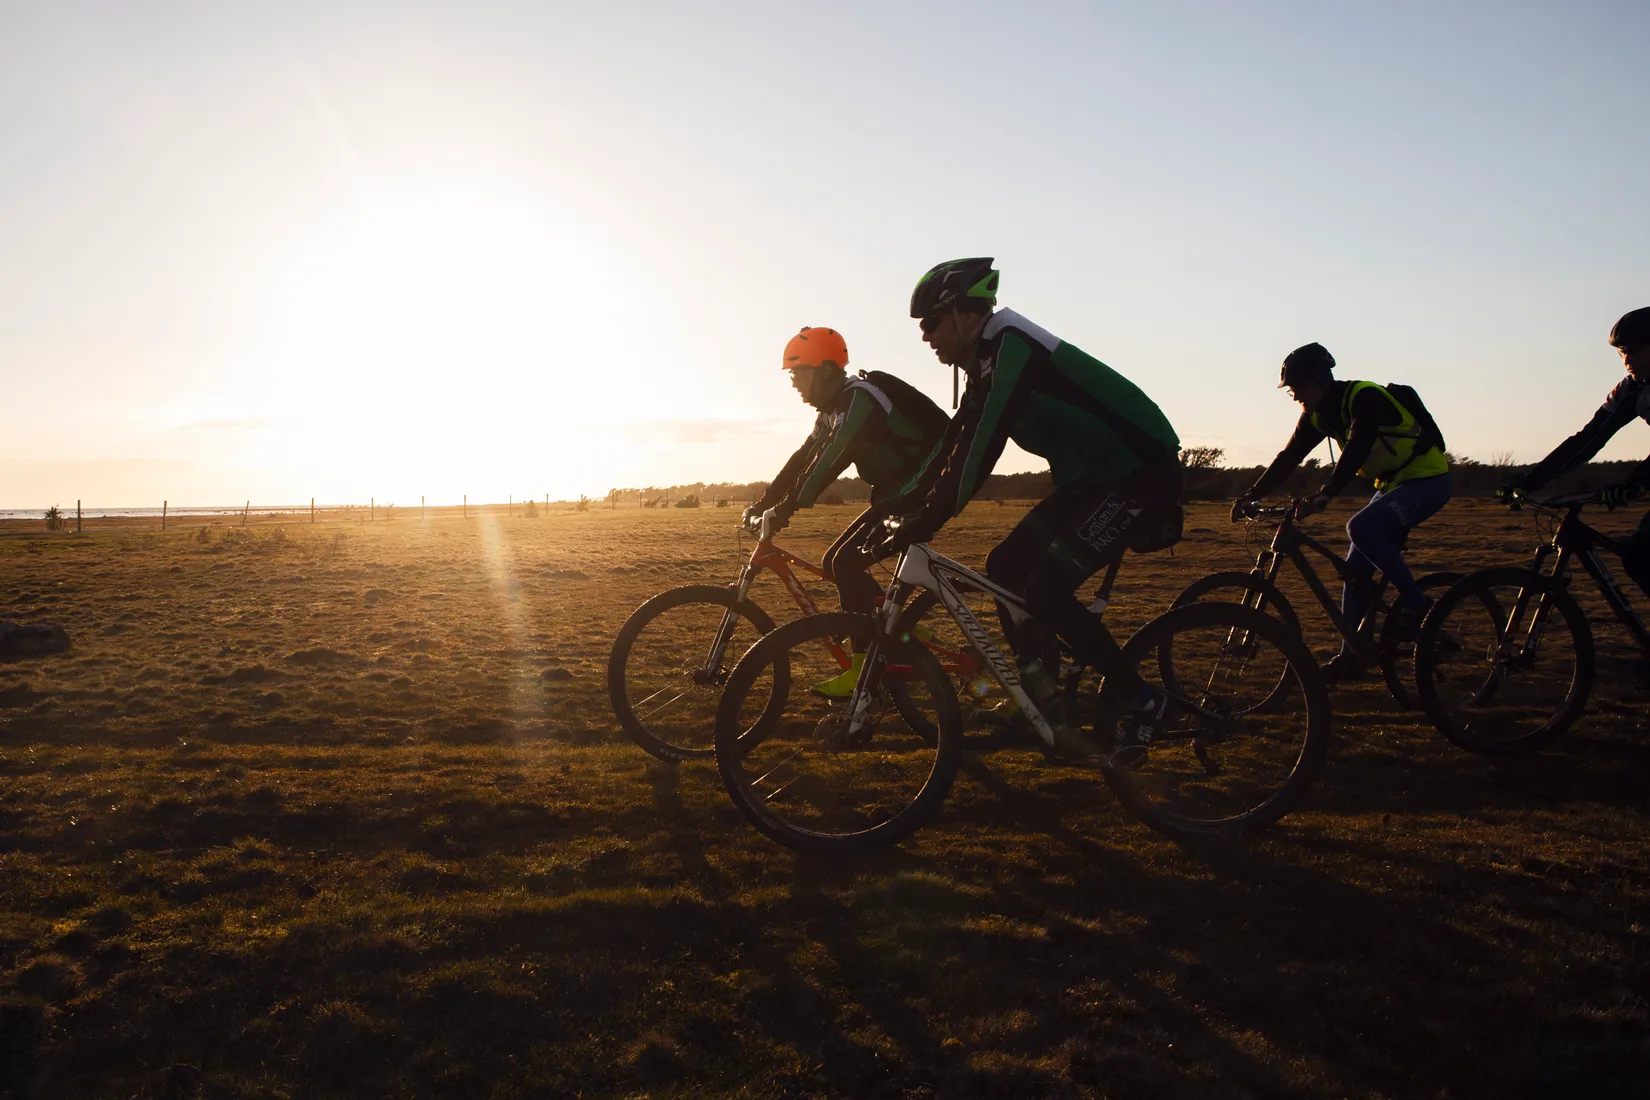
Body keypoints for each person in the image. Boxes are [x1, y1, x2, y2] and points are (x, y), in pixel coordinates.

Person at [888, 257, 1184, 764]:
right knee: (1004, 567)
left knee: (1047, 587)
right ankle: (1043, 697)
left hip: (1137, 472)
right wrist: (897, 505)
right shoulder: (984, 360)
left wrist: (933, 516)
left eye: (929, 323)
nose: (924, 337)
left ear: (961, 313)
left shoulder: (1011, 345)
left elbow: (985, 443)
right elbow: (954, 443)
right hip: (1092, 480)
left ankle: (1145, 700)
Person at [745, 326, 950, 695]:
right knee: (834, 563)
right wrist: (764, 502)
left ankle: (864, 671)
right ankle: (900, 626)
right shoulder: (832, 409)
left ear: (823, 370)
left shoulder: (859, 400)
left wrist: (788, 507)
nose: (793, 383)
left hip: (920, 487)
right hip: (894, 492)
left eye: (797, 372)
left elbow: (829, 461)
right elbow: (803, 458)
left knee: (846, 563)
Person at [1232, 343, 1453, 683]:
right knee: (1354, 571)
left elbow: (1358, 445)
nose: (1293, 396)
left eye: (1297, 388)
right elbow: (1289, 457)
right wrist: (1251, 495)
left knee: (1360, 528)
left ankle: (1418, 607)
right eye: (1290, 390)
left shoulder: (1364, 397)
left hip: (1428, 479)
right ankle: (1352, 656)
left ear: (1319, 380)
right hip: (1394, 484)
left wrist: (1328, 493)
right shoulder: (1317, 415)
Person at [1499, 307, 1650, 595]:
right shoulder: (1632, 390)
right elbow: (1587, 440)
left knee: (1642, 554)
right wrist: (1530, 480)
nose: (1627, 360)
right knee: (1639, 558)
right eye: (1621, 352)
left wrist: (1637, 482)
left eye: (1635, 350)